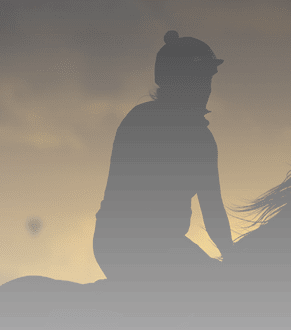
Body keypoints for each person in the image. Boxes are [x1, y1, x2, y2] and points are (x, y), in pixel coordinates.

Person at [93, 31, 232, 301]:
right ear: (179, 80)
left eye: (208, 79)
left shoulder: (140, 120)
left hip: (126, 244)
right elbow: (212, 214)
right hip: (144, 248)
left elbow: (213, 213)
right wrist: (236, 264)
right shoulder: (193, 137)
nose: (206, 88)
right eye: (200, 78)